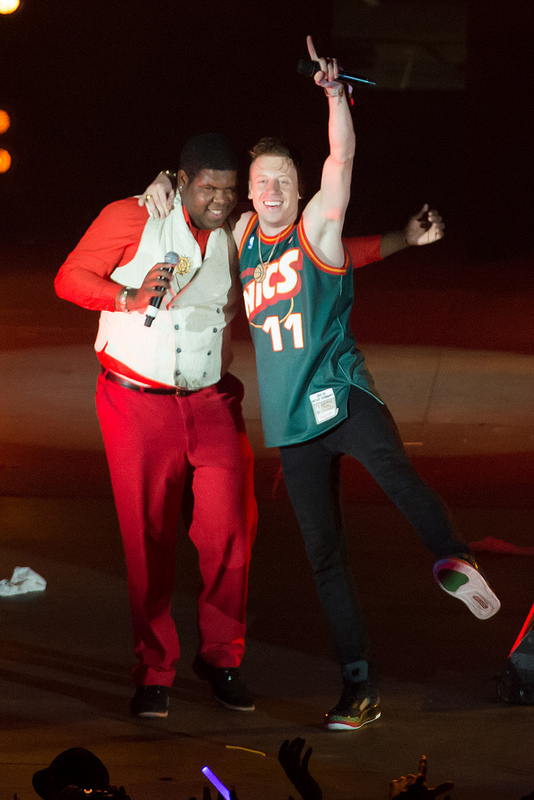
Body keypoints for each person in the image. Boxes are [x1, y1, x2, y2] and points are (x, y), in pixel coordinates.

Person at [141, 37, 501, 731]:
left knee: (394, 472)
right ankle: (358, 687)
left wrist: (336, 98)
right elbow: (195, 201)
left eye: (283, 180)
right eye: (261, 181)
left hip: (343, 395)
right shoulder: (243, 233)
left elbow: (341, 160)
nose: (271, 190)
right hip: (292, 425)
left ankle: (452, 557)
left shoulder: (316, 227)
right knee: (325, 558)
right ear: (250, 191)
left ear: (300, 191)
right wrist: (159, 180)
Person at [55, 133, 258, 718]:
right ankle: (154, 670)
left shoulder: (239, 231)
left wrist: (398, 241)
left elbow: (322, 242)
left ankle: (221, 657)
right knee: (147, 542)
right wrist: (127, 295)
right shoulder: (134, 215)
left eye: (230, 190)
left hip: (211, 400)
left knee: (231, 532)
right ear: (183, 179)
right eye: (209, 187)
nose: (221, 199)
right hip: (135, 403)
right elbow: (69, 278)